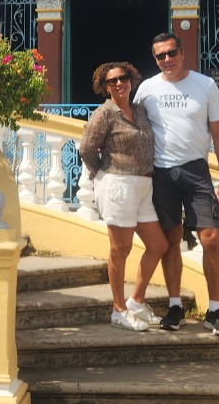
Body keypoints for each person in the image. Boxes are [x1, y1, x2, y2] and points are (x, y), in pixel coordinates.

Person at [134, 32, 219, 336]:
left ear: (182, 52)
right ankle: (175, 306)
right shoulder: (147, 89)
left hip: (195, 170)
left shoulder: (205, 85)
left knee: (211, 239)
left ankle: (215, 311)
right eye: (160, 56)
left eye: (171, 53)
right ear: (155, 59)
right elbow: (133, 127)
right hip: (161, 173)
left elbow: (218, 134)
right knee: (170, 239)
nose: (166, 60)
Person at [79, 61, 169, 332]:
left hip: (143, 184)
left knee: (158, 245)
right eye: (112, 81)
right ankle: (118, 309)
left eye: (123, 78)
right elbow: (86, 148)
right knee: (121, 249)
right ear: (104, 87)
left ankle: (136, 301)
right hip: (118, 183)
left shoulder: (139, 110)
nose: (119, 83)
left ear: (131, 79)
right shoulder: (105, 113)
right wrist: (101, 170)